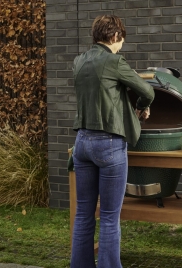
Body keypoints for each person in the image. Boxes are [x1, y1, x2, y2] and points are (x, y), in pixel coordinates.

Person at [70, 14, 155, 268]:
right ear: (115, 36)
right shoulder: (114, 61)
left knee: (83, 214)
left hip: (82, 143)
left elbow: (103, 94)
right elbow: (147, 91)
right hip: (108, 144)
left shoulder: (78, 61)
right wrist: (141, 107)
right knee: (108, 217)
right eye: (121, 41)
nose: (121, 47)